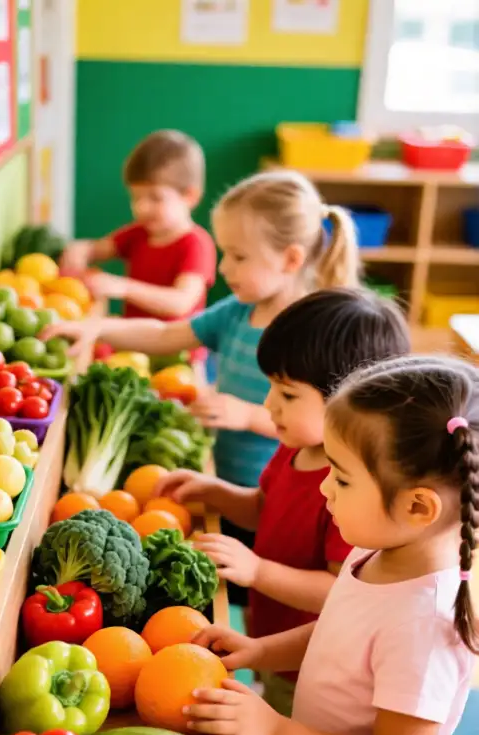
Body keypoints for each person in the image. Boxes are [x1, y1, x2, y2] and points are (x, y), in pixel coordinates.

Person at [186, 354, 478, 735]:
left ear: (418, 507)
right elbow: (336, 632)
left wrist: (273, 732)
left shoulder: (423, 626)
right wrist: (258, 650)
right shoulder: (373, 551)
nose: (324, 490)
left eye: (340, 478)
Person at [157, 288, 410, 735]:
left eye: (286, 394)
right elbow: (265, 505)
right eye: (271, 387)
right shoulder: (295, 450)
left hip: (318, 664)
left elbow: (337, 592)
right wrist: (218, 493)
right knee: (286, 731)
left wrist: (256, 572)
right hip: (279, 641)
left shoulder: (348, 492)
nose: (266, 404)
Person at [42, 170, 361, 603]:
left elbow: (332, 425)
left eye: (238, 256)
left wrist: (249, 415)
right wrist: (97, 328)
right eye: (224, 253)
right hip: (237, 489)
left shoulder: (317, 337)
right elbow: (165, 334)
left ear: (289, 259)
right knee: (247, 594)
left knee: (267, 592)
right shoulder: (237, 310)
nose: (223, 267)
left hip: (287, 499)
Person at [59, 129, 217, 326]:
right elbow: (97, 248)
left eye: (155, 198)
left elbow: (180, 302)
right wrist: (80, 250)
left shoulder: (196, 244)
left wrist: (123, 288)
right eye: (136, 197)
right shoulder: (138, 233)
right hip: (132, 347)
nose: (142, 208)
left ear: (190, 196)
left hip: (177, 353)